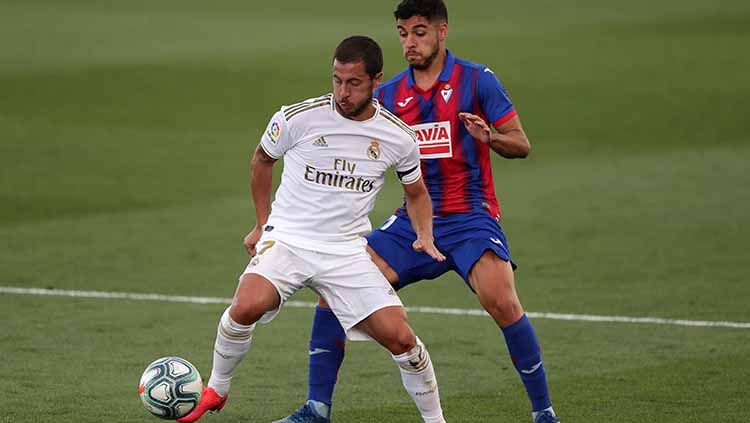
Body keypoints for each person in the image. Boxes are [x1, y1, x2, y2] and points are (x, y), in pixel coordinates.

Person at [277, 1, 560, 423]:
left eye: (420, 31)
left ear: (442, 31)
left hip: (470, 216)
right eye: (404, 33)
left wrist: (491, 137)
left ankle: (544, 413)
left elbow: (521, 144)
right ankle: (317, 409)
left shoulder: (476, 81)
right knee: (332, 295)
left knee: (502, 301)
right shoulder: (388, 94)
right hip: (411, 222)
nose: (411, 42)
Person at [177, 35, 448, 423]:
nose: (342, 91)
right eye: (337, 80)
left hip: (346, 251)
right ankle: (218, 388)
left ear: (376, 80)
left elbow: (417, 193)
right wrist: (261, 223)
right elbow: (261, 161)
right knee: (246, 306)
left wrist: (424, 233)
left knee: (402, 339)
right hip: (288, 238)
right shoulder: (298, 118)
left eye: (353, 83)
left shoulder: (398, 137)